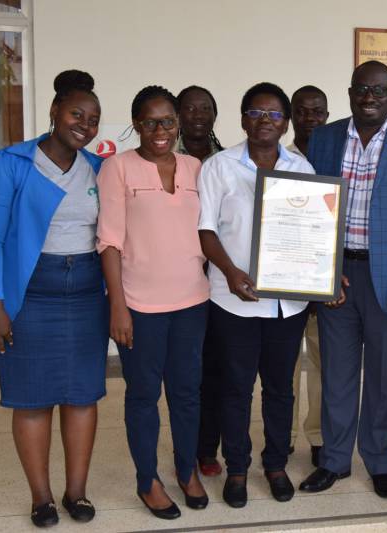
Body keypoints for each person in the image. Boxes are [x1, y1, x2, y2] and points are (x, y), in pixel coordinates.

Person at [299, 61, 387, 499]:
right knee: (336, 373)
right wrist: (322, 268)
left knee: (383, 377)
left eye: (379, 90)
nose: (369, 97)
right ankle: (336, 460)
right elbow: (306, 207)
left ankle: (380, 460)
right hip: (338, 276)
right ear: (349, 92)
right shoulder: (323, 138)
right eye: (362, 89)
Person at [0, 70, 107, 527]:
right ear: (54, 111)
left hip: (87, 292)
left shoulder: (99, 168)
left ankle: (77, 494)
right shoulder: (10, 162)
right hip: (29, 294)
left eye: (93, 119)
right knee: (31, 399)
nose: (85, 125)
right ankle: (42, 498)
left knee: (82, 395)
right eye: (76, 113)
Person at [197, 82, 321, 508]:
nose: (263, 121)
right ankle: (236, 468)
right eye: (255, 112)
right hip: (233, 299)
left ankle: (275, 465)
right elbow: (205, 229)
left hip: (287, 302)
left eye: (272, 114)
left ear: (285, 123)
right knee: (235, 387)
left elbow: (311, 234)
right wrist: (230, 272)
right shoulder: (219, 167)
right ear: (242, 118)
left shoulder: (301, 168)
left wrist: (324, 273)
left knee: (280, 389)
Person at [97, 85, 211, 520]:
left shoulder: (196, 167)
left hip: (191, 301)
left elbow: (211, 229)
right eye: (149, 122)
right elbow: (109, 242)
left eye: (167, 121)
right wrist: (117, 306)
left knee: (186, 393)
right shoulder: (118, 169)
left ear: (179, 123)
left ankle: (186, 471)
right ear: (136, 125)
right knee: (143, 395)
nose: (159, 130)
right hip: (140, 306)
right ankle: (148, 480)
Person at [175, 85, 225, 478]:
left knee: (216, 369)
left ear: (214, 115)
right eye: (188, 107)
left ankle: (207, 448)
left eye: (205, 108)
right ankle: (185, 447)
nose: (197, 114)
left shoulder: (226, 161)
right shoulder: (162, 158)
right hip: (177, 281)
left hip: (221, 282)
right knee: (185, 372)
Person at [287, 85, 329, 466]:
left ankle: (317, 436)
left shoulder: (336, 156)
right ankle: (282, 434)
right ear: (291, 117)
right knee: (283, 362)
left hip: (324, 277)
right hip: (283, 277)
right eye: (303, 112)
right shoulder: (277, 158)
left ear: (327, 116)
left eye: (318, 112)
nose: (311, 119)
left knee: (320, 361)